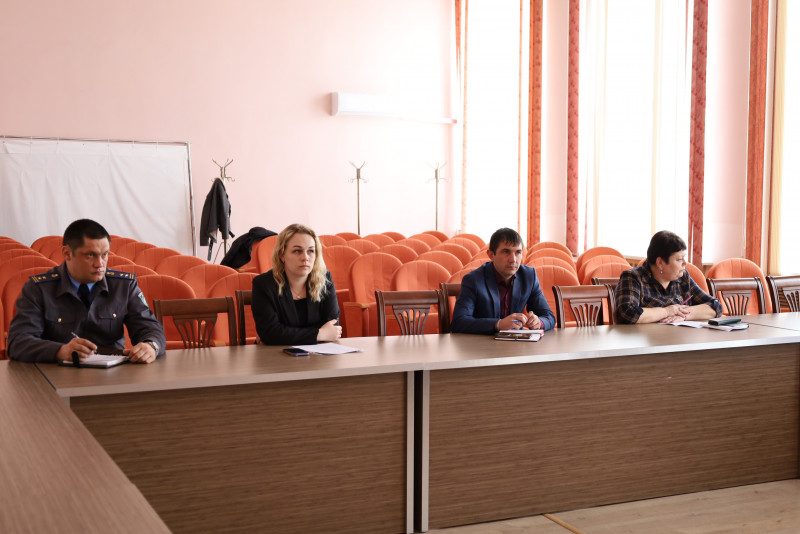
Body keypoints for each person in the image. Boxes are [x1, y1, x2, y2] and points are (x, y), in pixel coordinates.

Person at [7, 219, 166, 363]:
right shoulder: (38, 289)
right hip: (56, 374)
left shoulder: (123, 285)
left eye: (105, 255)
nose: (100, 264)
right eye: (91, 255)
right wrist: (60, 351)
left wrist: (151, 346)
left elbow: (151, 328)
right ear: (67, 254)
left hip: (113, 374)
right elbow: (18, 342)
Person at [451, 227, 555, 334]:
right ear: (491, 255)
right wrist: (498, 324)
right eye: (506, 252)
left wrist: (539, 322)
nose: (513, 259)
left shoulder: (529, 276)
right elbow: (458, 322)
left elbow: (549, 317)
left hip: (517, 342)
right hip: (484, 342)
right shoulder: (473, 280)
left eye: (518, 252)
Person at [252, 223, 341, 345]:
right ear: (282, 255)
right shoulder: (264, 284)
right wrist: (319, 334)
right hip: (275, 354)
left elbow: (332, 328)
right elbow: (270, 333)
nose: (305, 257)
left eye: (311, 251)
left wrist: (285, 334)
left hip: (318, 354)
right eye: (297, 251)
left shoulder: (325, 280)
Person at [615, 230, 722, 324]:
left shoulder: (683, 278)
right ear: (660, 263)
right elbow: (627, 313)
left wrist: (683, 315)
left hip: (679, 338)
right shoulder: (633, 277)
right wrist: (667, 311)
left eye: (684, 258)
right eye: (679, 259)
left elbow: (716, 306)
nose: (685, 263)